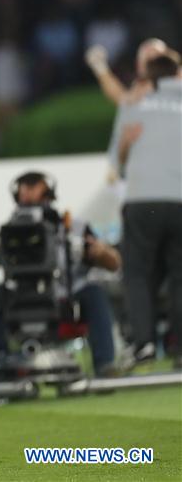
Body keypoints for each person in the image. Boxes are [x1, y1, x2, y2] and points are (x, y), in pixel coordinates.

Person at [0, 172, 122, 377]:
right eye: (24, 187)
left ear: (47, 191)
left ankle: (104, 365)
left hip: (63, 303)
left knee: (94, 291)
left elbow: (113, 263)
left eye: (33, 186)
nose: (27, 193)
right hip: (20, 302)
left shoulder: (74, 230)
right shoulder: (9, 234)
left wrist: (102, 253)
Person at [108, 53, 182, 367]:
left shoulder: (133, 103)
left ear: (148, 77)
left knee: (137, 274)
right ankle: (179, 348)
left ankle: (144, 343)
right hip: (180, 200)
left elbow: (117, 163)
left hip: (142, 201)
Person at [85, 38, 176, 107]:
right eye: (148, 58)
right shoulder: (139, 87)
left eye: (156, 57)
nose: (152, 62)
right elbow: (122, 98)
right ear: (138, 66)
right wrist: (100, 67)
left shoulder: (177, 78)